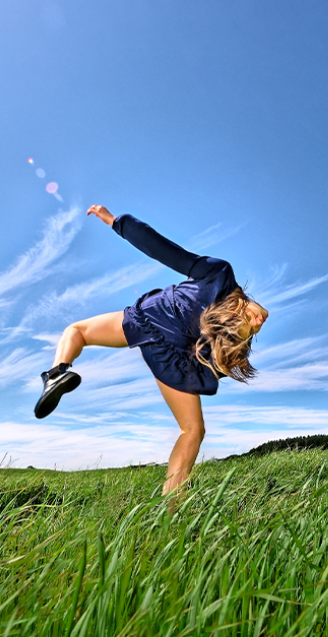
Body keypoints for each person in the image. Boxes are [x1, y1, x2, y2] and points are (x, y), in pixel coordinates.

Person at [35, 205, 269, 499]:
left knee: (77, 331)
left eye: (255, 327)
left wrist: (116, 223)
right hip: (163, 335)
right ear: (251, 301)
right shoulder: (221, 275)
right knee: (192, 432)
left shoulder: (221, 292)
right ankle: (57, 376)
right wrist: (117, 222)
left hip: (156, 328)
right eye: (260, 316)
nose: (258, 321)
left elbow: (165, 251)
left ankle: (57, 371)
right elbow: (165, 250)